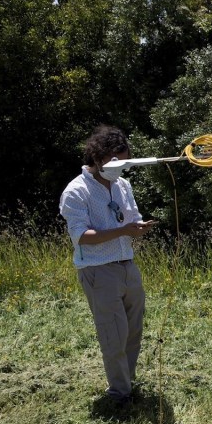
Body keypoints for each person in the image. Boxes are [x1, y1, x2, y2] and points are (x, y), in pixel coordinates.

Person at [59, 125, 156, 407]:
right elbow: (82, 237)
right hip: (98, 270)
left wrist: (137, 228)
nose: (119, 167)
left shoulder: (122, 185)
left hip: (127, 265)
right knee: (113, 332)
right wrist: (124, 230)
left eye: (123, 161)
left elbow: (131, 217)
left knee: (133, 328)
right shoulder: (76, 191)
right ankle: (119, 394)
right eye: (115, 161)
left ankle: (128, 380)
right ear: (98, 157)